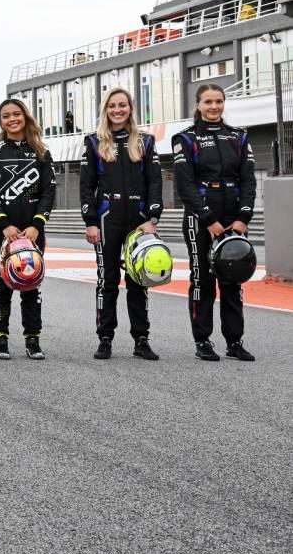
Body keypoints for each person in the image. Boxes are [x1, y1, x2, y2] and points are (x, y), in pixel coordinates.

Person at [172, 84, 258, 362]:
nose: (214, 106)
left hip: (234, 217)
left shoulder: (239, 136)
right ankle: (203, 341)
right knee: (202, 279)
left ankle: (235, 341)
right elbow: (185, 186)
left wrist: (243, 217)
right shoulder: (185, 138)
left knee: (233, 279)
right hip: (200, 219)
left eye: (219, 101)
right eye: (208, 101)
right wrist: (207, 219)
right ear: (198, 104)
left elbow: (248, 180)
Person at [80, 87, 163, 361]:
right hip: (107, 219)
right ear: (106, 109)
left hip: (139, 222)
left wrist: (152, 218)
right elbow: (86, 186)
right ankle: (105, 339)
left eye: (123, 105)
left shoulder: (146, 141)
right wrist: (91, 222)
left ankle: (141, 339)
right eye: (112, 106)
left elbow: (155, 182)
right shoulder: (94, 142)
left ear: (130, 108)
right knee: (108, 280)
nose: (118, 110)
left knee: (139, 280)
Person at [0, 98, 55, 361]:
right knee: (0, 286)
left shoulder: (42, 153)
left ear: (25, 116)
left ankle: (32, 340)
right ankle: (0, 340)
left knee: (32, 286)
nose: (12, 119)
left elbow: (48, 192)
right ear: (0, 122)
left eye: (16, 114)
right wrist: (4, 225)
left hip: (33, 232)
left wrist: (37, 225)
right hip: (1, 232)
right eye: (5, 116)